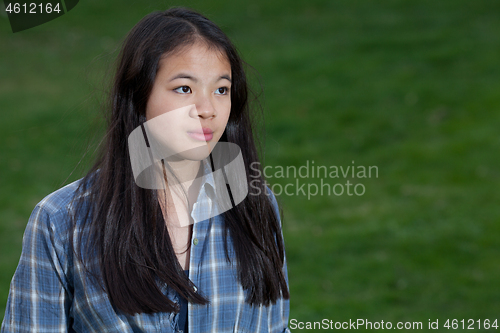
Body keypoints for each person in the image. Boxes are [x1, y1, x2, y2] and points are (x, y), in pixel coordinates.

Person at [1, 7, 290, 333]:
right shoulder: (60, 221)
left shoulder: (256, 204)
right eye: (184, 88)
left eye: (221, 89)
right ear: (139, 96)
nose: (207, 109)